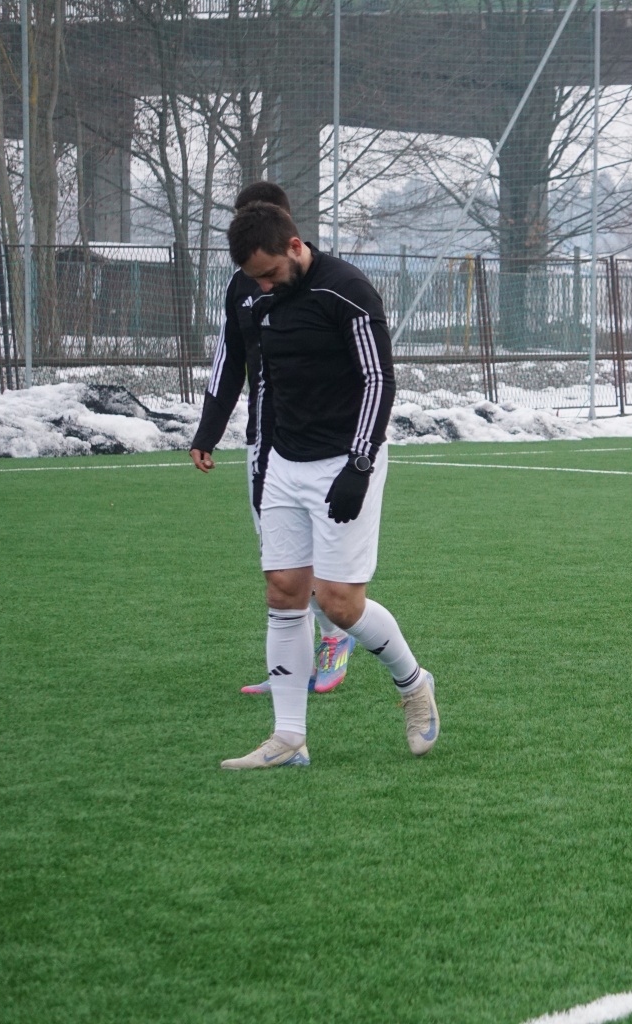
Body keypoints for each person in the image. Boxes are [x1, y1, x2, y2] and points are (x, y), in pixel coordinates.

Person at [213, 201, 438, 769]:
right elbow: (265, 385)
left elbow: (378, 380)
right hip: (284, 461)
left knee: (338, 603)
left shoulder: (349, 291)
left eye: (269, 273)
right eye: (254, 279)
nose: (263, 286)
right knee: (284, 590)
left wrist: (358, 464)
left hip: (344, 459)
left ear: (295, 246)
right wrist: (265, 466)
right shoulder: (263, 299)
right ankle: (289, 738)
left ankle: (413, 683)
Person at [190, 181, 357, 697]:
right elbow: (229, 359)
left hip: (325, 442)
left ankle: (336, 636)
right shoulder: (241, 287)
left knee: (324, 562)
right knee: (279, 559)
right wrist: (208, 430)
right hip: (266, 438)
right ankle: (291, 666)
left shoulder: (325, 283)